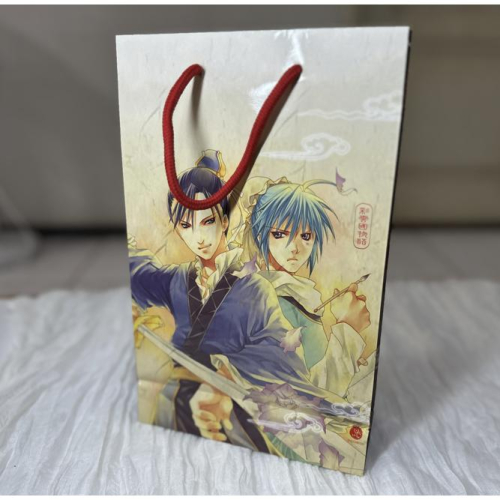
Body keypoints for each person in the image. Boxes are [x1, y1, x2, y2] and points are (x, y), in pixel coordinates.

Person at [129, 150, 347, 456]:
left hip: (230, 418)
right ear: (177, 228)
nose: (199, 237)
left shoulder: (254, 289)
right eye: (186, 226)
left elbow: (280, 369)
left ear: (224, 221)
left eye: (208, 221)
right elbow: (139, 274)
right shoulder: (178, 279)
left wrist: (226, 377)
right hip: (174, 410)